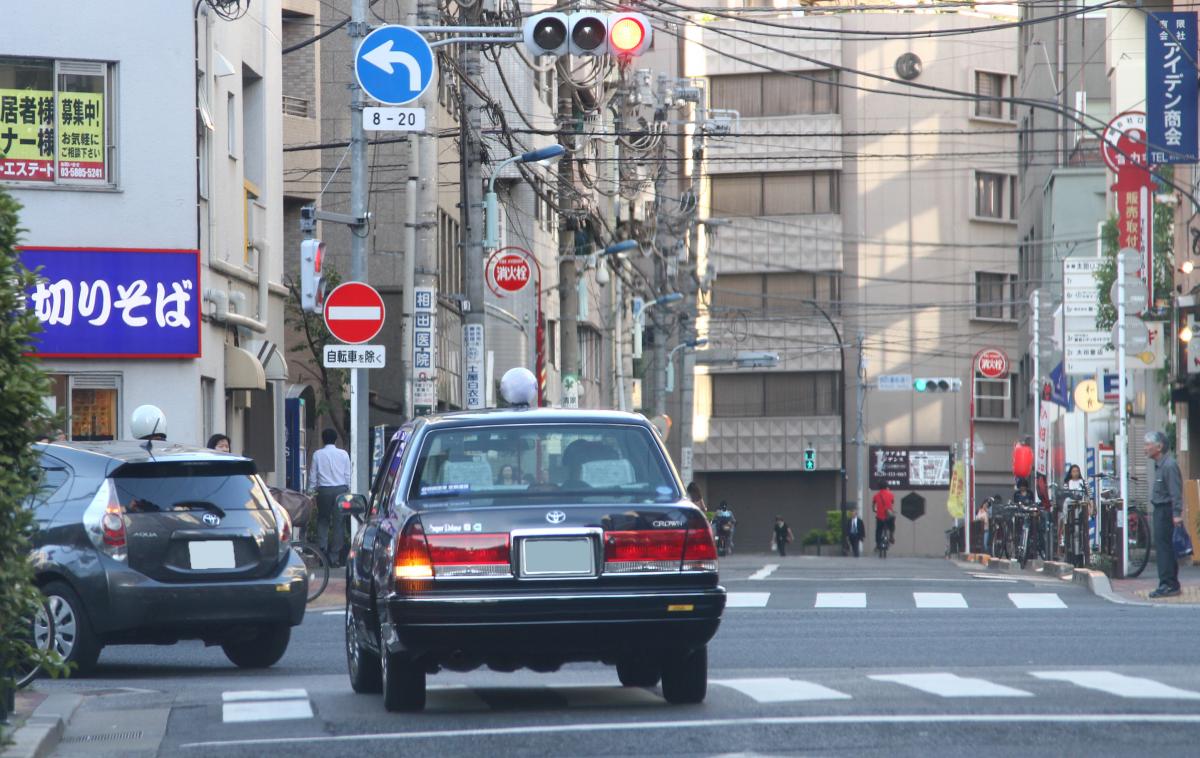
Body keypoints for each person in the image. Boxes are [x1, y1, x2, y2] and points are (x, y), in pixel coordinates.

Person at [1145, 431, 1184, 599]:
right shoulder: (1160, 464)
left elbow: (1176, 492)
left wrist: (1176, 513)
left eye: (1148, 445)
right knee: (1163, 548)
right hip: (1161, 510)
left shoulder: (1169, 465)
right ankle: (1169, 583)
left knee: (1165, 549)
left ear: (1159, 447)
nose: (1145, 448)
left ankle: (1168, 584)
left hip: (1166, 510)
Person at [310, 428, 352, 567]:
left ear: (323, 439)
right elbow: (347, 475)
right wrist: (348, 490)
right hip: (341, 490)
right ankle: (334, 557)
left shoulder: (317, 454)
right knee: (339, 524)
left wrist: (311, 491)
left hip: (324, 491)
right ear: (335, 440)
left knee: (323, 520)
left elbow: (313, 475)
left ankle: (322, 552)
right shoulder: (344, 454)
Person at [873, 485, 895, 552]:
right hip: (888, 516)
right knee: (892, 524)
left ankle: (877, 544)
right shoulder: (891, 494)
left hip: (880, 516)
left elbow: (873, 505)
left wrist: (874, 510)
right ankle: (891, 535)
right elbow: (892, 503)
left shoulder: (876, 495)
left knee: (878, 530)